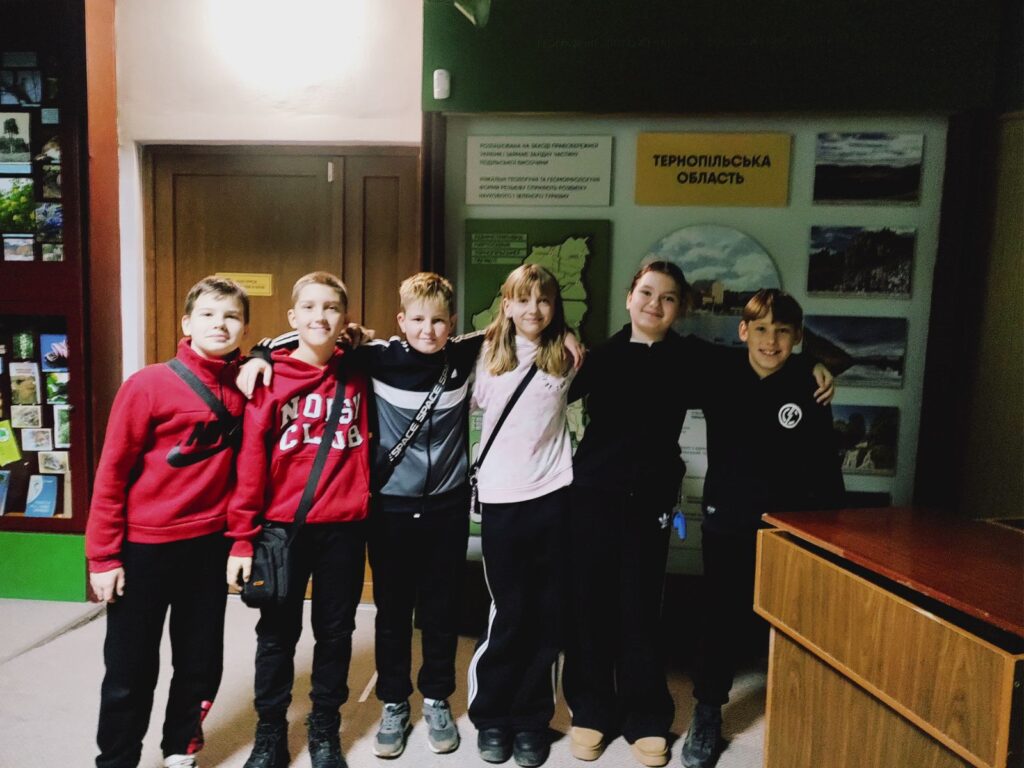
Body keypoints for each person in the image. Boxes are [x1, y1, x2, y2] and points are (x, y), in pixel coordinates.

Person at [237, 271, 583, 760]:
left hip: (447, 506)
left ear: (452, 323)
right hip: (390, 508)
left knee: (441, 611)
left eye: (438, 321)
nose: (428, 330)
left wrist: (567, 333)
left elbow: (523, 328)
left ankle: (437, 699)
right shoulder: (375, 357)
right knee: (393, 612)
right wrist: (259, 352)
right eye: (418, 320)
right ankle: (394, 702)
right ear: (401, 320)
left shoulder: (464, 354)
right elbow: (312, 337)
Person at [562, 266, 835, 768]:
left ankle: (647, 716)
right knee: (590, 604)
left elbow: (765, 353)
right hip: (594, 495)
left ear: (680, 308)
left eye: (668, 298)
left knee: (642, 607)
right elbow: (541, 379)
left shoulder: (693, 358)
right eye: (647, 293)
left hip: (652, 499)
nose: (655, 304)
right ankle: (592, 710)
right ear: (629, 297)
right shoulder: (598, 357)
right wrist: (561, 336)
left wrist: (813, 364)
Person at [86, 276, 249, 768]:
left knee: (200, 662)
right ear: (186, 323)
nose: (219, 324)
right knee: (130, 668)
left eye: (231, 316)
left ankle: (180, 749)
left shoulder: (248, 386)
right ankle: (117, 760)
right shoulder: (147, 385)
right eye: (208, 314)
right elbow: (111, 474)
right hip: (144, 549)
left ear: (244, 327)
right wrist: (103, 556)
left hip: (208, 548)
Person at [680, 289, 845, 768]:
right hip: (728, 519)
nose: (771, 341)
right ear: (743, 331)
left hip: (788, 527)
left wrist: (830, 533)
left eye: (783, 332)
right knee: (718, 618)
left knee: (793, 620)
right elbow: (670, 344)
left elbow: (824, 465)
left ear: (797, 337)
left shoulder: (809, 384)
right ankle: (707, 712)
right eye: (762, 329)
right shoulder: (720, 373)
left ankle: (796, 711)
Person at [226, 271, 371, 768]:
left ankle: (324, 727)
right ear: (292, 317)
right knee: (276, 635)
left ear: (344, 318)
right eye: (309, 307)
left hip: (343, 528)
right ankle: (270, 731)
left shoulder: (359, 368)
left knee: (336, 632)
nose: (319, 316)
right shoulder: (268, 376)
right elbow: (249, 463)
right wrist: (242, 538)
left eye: (331, 307)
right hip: (281, 529)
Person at [467, 263, 575, 768]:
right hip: (501, 498)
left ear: (555, 307)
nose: (534, 309)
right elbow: (421, 352)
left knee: (547, 612)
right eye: (523, 299)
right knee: (509, 611)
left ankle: (532, 719)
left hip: (553, 495)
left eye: (544, 299)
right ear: (506, 304)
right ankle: (492, 715)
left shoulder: (568, 356)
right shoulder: (483, 354)